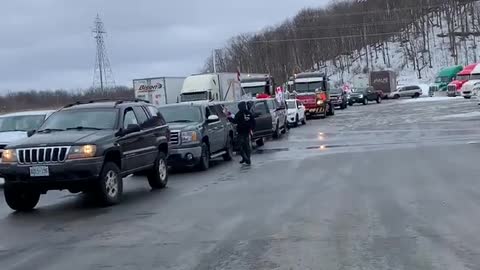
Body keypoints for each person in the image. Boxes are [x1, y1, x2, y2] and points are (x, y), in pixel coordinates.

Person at [228, 101, 256, 165]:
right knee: (246, 146)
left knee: (240, 146)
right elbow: (253, 122)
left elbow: (235, 121)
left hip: (241, 132)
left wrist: (229, 118)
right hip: (246, 132)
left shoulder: (239, 114)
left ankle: (246, 158)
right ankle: (246, 158)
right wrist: (251, 128)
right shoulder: (248, 113)